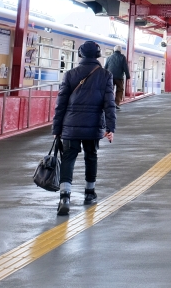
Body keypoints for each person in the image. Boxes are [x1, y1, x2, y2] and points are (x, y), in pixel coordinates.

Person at [51, 40, 115, 216]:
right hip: (93, 125)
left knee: (68, 158)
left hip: (70, 125)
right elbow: (109, 104)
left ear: (80, 54)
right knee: (91, 157)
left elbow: (60, 104)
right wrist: (111, 127)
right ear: (98, 55)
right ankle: (89, 193)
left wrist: (56, 129)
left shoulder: (70, 74)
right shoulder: (105, 75)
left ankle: (65, 197)